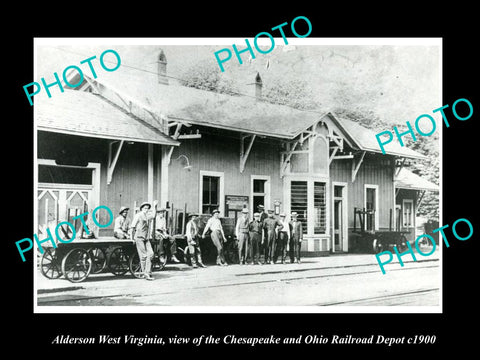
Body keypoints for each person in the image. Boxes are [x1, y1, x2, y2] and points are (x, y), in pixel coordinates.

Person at [130, 202, 155, 280]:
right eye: (145, 208)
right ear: (141, 209)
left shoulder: (148, 216)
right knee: (143, 256)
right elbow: (132, 227)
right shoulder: (138, 215)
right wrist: (132, 238)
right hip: (139, 237)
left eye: (147, 208)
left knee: (151, 254)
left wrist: (155, 206)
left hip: (146, 238)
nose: (146, 210)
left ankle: (147, 272)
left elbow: (153, 215)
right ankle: (146, 273)